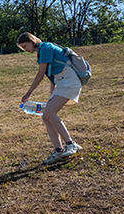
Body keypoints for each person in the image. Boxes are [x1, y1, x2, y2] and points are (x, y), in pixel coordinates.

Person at [18, 32, 83, 164]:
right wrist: (52, 93)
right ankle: (58, 150)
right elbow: (52, 74)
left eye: (25, 46)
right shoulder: (43, 51)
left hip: (68, 81)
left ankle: (71, 144)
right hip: (62, 81)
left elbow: (40, 75)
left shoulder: (45, 48)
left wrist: (28, 93)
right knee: (46, 116)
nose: (26, 50)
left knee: (49, 113)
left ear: (31, 41)